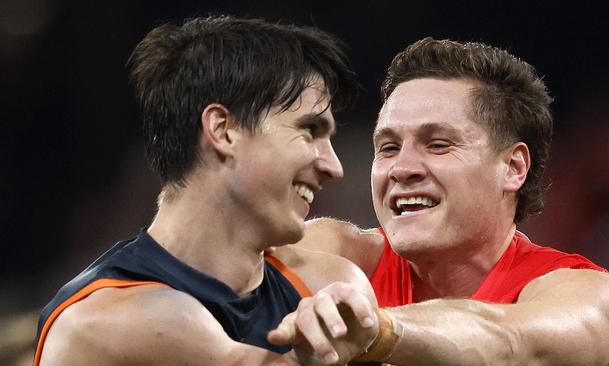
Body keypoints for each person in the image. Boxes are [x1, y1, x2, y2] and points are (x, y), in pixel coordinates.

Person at [270, 38, 609, 365]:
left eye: (438, 145)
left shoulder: (601, 301)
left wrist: (379, 331)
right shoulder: (339, 254)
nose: (401, 168)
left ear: (513, 168)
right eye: (388, 148)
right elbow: (229, 271)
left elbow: (510, 343)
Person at [34, 15, 380, 366]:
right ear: (223, 129)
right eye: (309, 130)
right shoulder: (97, 323)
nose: (333, 167)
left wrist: (387, 334)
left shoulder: (326, 282)